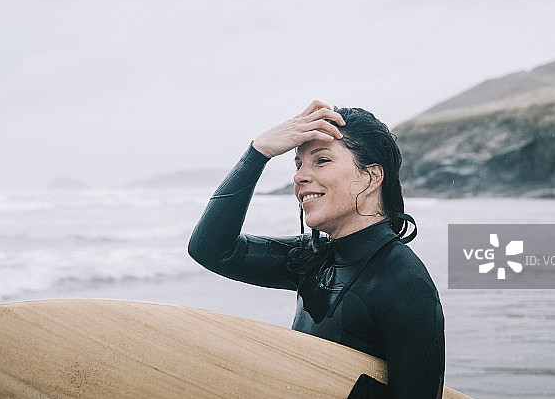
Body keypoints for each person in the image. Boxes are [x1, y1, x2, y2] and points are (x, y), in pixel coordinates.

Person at [188, 100, 445, 398]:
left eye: (321, 160)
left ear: (372, 177)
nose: (299, 176)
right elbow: (211, 249)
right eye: (298, 165)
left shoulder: (404, 282)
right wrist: (258, 153)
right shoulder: (312, 259)